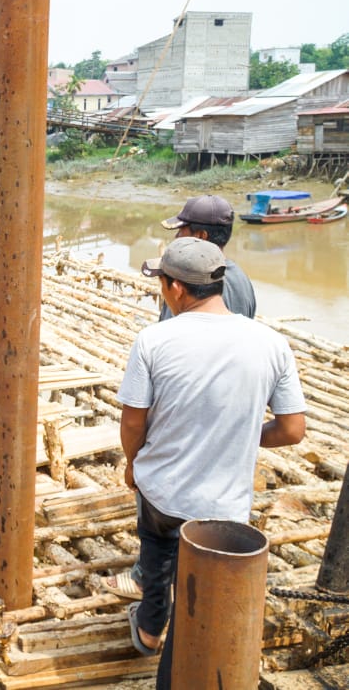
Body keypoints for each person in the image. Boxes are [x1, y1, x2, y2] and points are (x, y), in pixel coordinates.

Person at [117, 237, 305, 687]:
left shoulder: (155, 340)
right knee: (201, 593)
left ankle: (148, 629)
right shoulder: (270, 342)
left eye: (161, 284)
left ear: (176, 288)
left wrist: (133, 462)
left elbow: (132, 421)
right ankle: (184, 645)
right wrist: (240, 434)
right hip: (226, 505)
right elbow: (293, 430)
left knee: (157, 555)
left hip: (163, 490)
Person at [105, 193, 258, 600]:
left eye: (184, 232)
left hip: (186, 416)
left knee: (162, 513)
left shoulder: (204, 289)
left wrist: (135, 459)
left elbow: (148, 400)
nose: (176, 241)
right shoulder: (234, 279)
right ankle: (181, 585)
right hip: (218, 418)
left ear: (203, 236)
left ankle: (151, 585)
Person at [158, 194, 255, 321]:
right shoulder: (242, 279)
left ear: (200, 236)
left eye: (181, 231)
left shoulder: (188, 280)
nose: (176, 237)